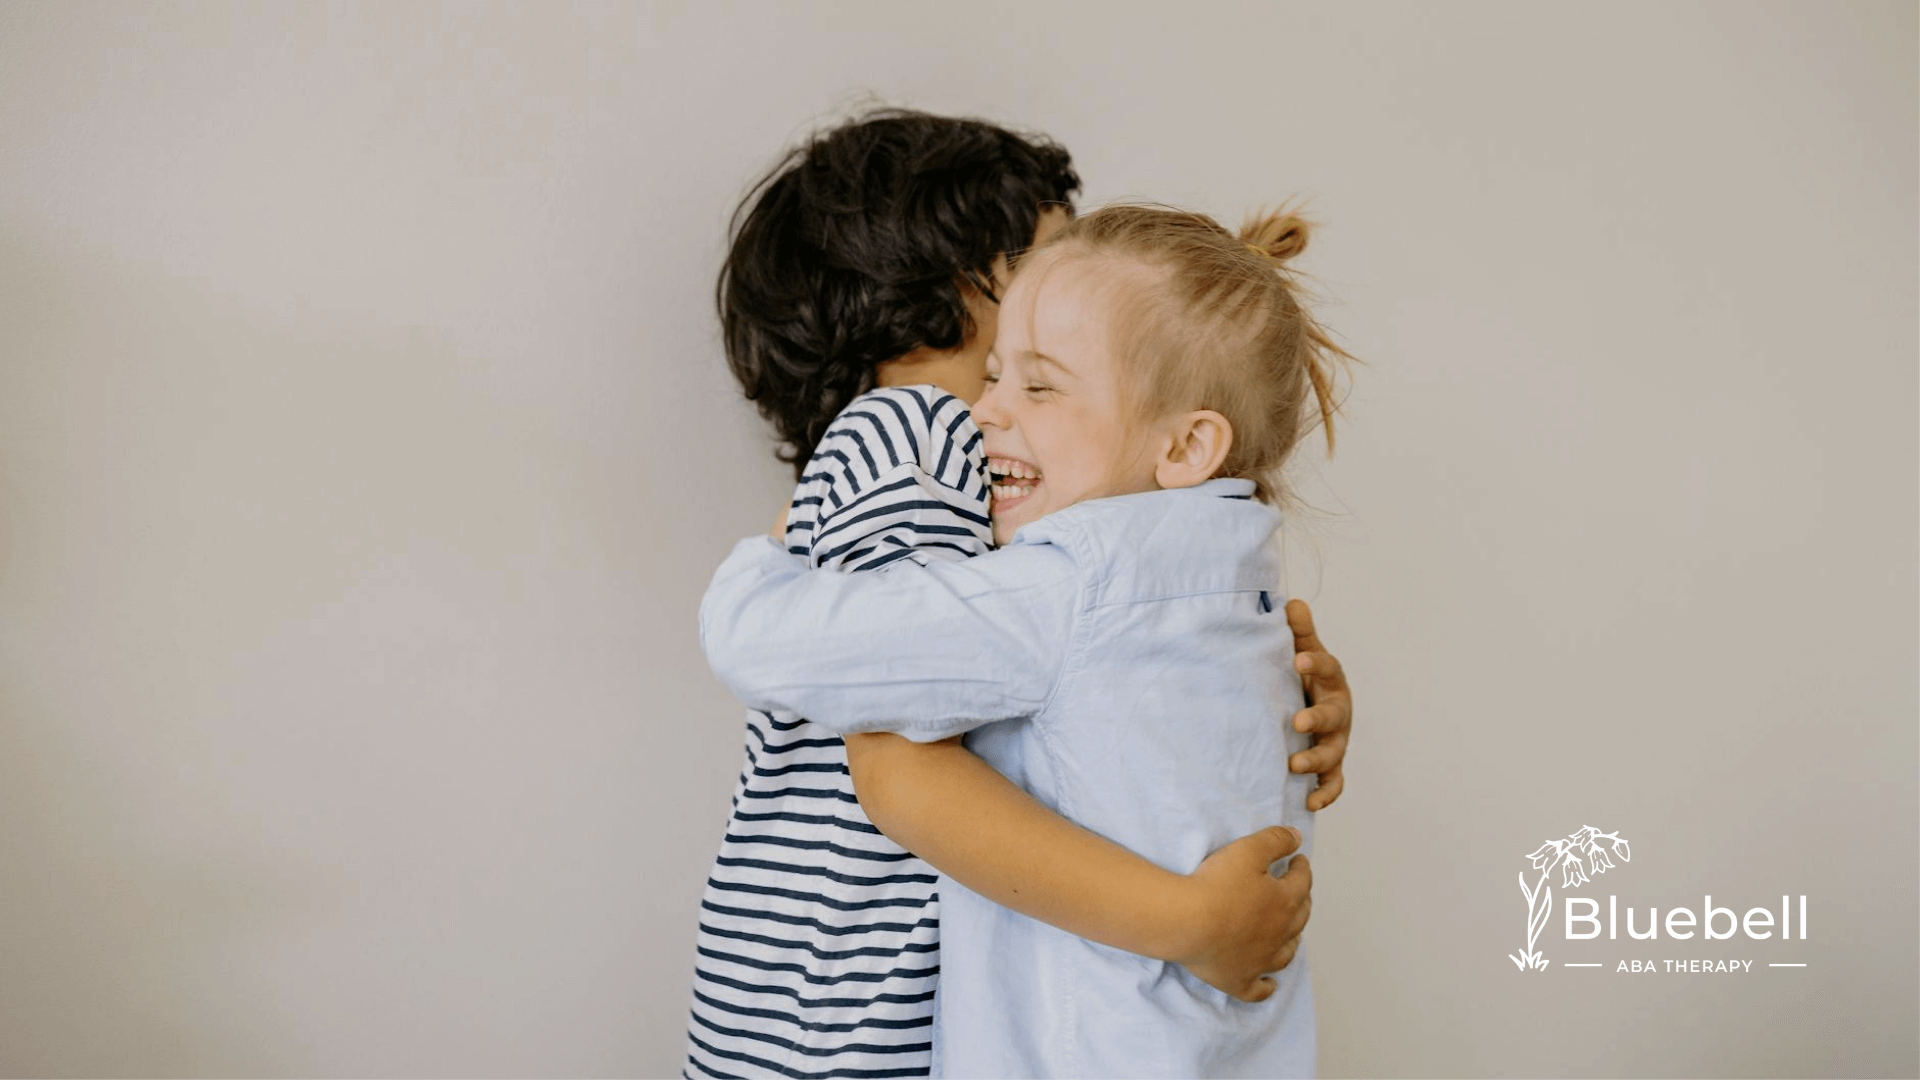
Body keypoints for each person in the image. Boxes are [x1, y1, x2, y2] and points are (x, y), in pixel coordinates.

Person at [686, 110, 1353, 1079]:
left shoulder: (1039, 491)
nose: (1076, 271)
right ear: (962, 284)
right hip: (841, 1023)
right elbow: (895, 757)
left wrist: (1277, 700)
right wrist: (1187, 921)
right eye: (1055, 249)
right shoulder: (916, 436)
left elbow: (1100, 667)